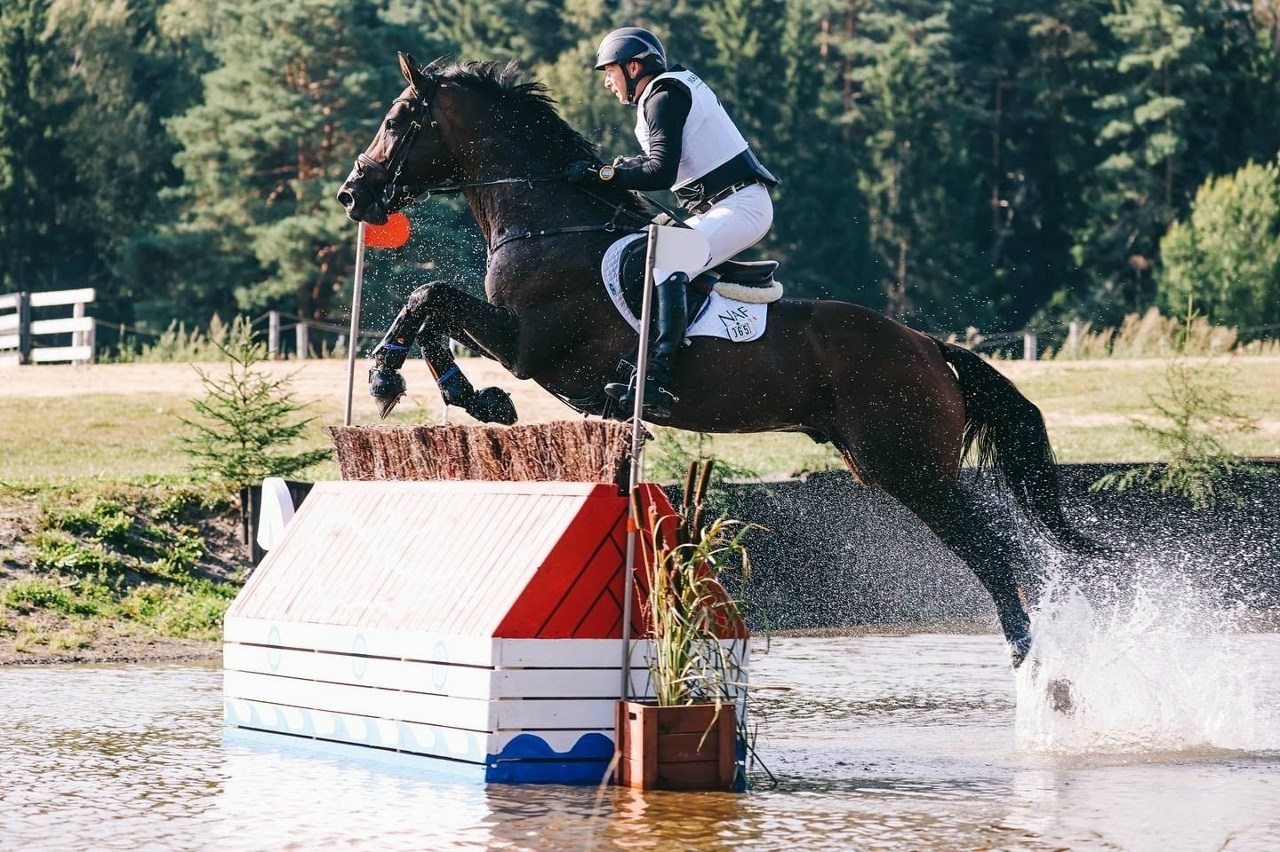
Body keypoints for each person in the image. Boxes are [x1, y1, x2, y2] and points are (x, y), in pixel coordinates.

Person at [566, 26, 778, 419]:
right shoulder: (663, 94)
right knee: (653, 252)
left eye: (609, 72)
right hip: (720, 206)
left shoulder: (663, 95)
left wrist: (602, 175)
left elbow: (660, 173)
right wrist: (620, 170)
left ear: (633, 67)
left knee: (667, 260)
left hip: (741, 207)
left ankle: (659, 377)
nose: (608, 84)